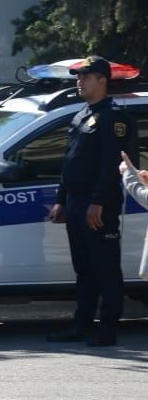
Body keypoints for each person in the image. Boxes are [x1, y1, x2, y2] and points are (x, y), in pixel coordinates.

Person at [47, 56, 138, 347]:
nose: (80, 81)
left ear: (103, 80)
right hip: (75, 202)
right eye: (79, 76)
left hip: (99, 203)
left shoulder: (115, 118)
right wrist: (61, 199)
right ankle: (82, 324)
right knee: (84, 269)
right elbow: (69, 162)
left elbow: (114, 164)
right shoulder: (80, 115)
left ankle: (107, 328)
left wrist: (98, 201)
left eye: (86, 76)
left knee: (105, 268)